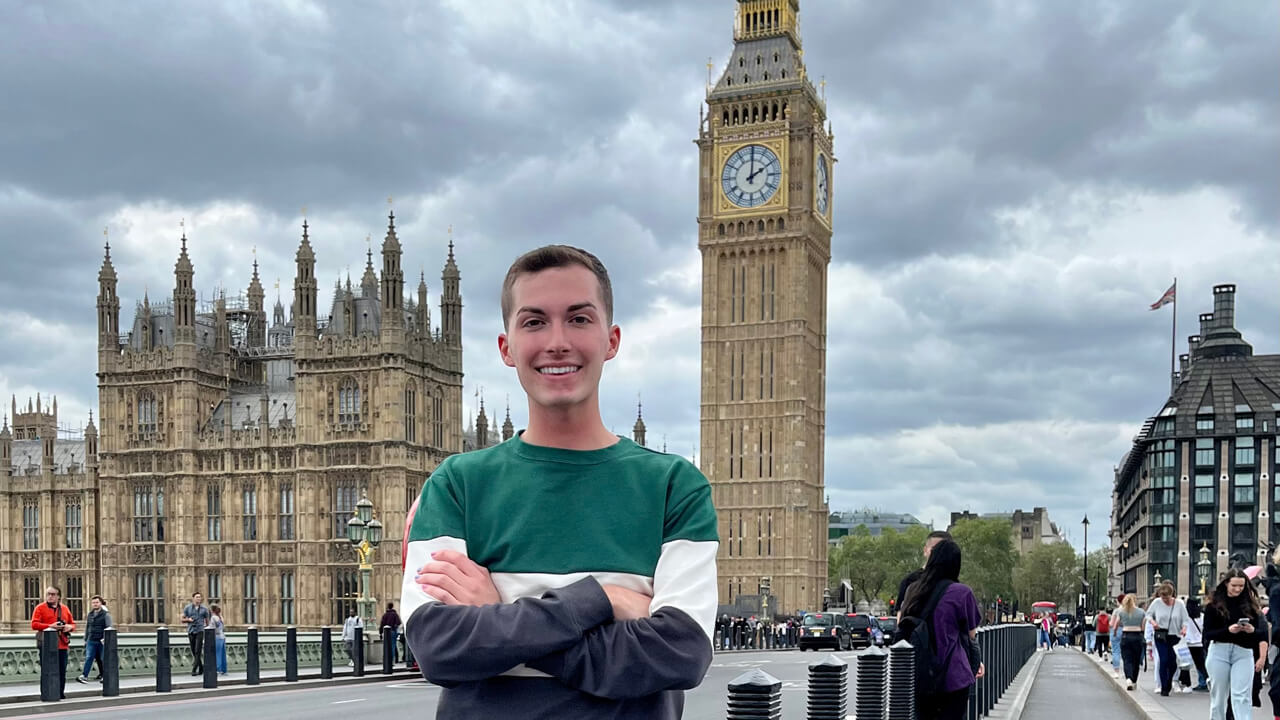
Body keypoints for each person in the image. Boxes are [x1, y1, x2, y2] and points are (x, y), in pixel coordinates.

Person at [401, 246, 718, 720]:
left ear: (611, 340)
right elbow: (439, 646)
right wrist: (602, 599)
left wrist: (499, 611)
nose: (557, 341)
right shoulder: (457, 484)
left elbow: (679, 652)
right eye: (534, 322)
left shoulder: (674, 486)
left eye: (578, 319)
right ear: (506, 348)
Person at [898, 539, 984, 720]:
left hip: (919, 672)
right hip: (953, 674)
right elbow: (971, 634)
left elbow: (902, 622)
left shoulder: (913, 589)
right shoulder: (962, 592)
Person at [1204, 569, 1270, 720]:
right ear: (1226, 583)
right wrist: (1228, 630)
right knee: (1219, 697)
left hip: (1244, 652)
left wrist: (1252, 630)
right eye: (1234, 585)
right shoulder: (1213, 606)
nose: (1238, 589)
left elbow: (1261, 634)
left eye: (1241, 586)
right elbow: (1208, 634)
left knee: (1241, 696)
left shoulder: (1251, 606)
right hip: (1219, 650)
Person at [895, 530, 953, 620]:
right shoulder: (909, 581)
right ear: (925, 550)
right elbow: (901, 616)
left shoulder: (954, 583)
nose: (938, 553)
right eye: (934, 549)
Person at [31, 586, 75, 699]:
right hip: (46, 645)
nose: (50, 596)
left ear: (58, 596)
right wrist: (50, 626)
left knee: (61, 670)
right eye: (48, 594)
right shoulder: (40, 608)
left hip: (62, 644)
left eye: (53, 594)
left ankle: (60, 693)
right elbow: (34, 625)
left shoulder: (65, 609)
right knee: (47, 670)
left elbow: (72, 624)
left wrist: (69, 627)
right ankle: (46, 693)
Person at [1146, 581, 1189, 696]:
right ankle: (1164, 686)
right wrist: (1153, 622)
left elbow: (1185, 619)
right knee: (1163, 660)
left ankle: (1170, 680)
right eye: (1162, 597)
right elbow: (1148, 614)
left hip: (1175, 636)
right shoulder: (1156, 603)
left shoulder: (1179, 604)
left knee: (1172, 662)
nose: (1164, 600)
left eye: (1167, 598)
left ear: (1171, 595)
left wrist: (1184, 628)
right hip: (1161, 635)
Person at [76, 595, 111, 684]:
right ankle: (84, 676)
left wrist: (105, 638)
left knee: (103, 659)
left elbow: (109, 627)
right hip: (91, 639)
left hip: (101, 640)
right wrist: (85, 639)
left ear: (101, 603)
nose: (95, 604)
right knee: (89, 657)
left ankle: (105, 676)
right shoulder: (90, 614)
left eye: (97, 602)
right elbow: (88, 627)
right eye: (93, 603)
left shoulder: (106, 614)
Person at [1116, 593, 1146, 691]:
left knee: (1127, 659)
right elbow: (1143, 626)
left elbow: (1116, 625)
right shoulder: (1141, 612)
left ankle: (1128, 677)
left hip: (1125, 635)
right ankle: (1134, 680)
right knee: (1136, 661)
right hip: (1137, 636)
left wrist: (1116, 632)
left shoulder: (1121, 612)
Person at [180, 592, 210, 676]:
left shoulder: (204, 609)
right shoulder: (187, 608)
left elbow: (207, 622)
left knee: (198, 650)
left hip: (200, 631)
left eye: (200, 597)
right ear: (193, 598)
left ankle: (194, 669)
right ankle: (201, 667)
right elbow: (182, 619)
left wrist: (208, 631)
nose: (199, 599)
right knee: (193, 650)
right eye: (197, 597)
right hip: (191, 630)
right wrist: (188, 620)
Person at [1184, 597, 1209, 692]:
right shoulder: (1202, 616)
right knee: (1201, 665)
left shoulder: (1186, 617)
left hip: (1188, 643)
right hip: (1199, 643)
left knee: (1187, 664)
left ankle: (1188, 683)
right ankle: (1204, 682)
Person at [209, 604, 227, 675]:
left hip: (217, 637)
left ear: (212, 610)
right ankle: (224, 669)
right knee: (223, 654)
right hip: (222, 636)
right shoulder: (220, 617)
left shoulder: (213, 618)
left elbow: (212, 628)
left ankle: (218, 669)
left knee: (217, 654)